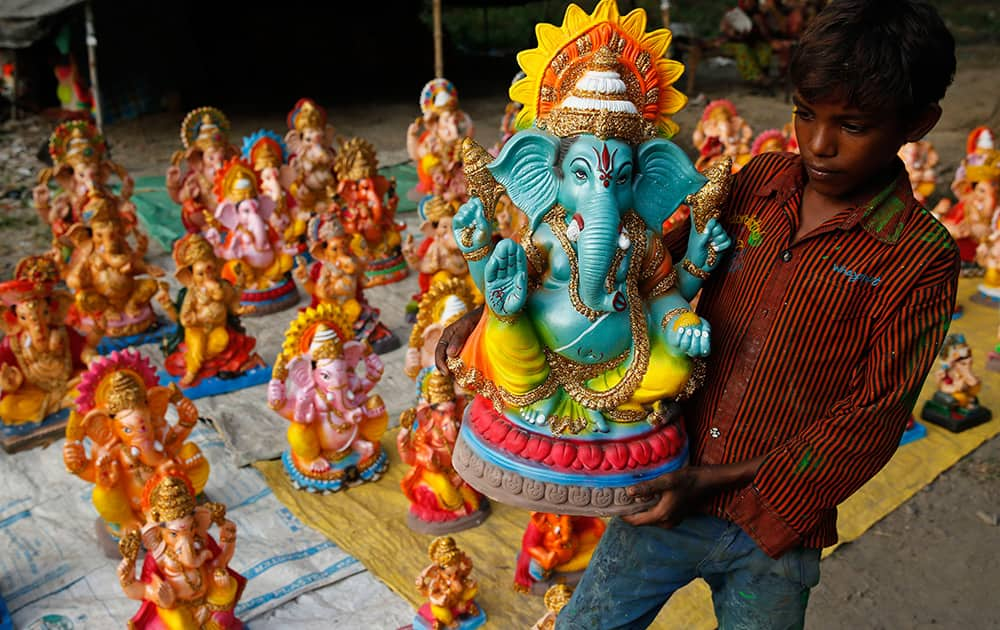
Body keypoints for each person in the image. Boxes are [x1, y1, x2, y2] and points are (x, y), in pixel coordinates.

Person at [436, 1, 958, 627]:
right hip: (665, 491)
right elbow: (645, 258)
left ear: (919, 123)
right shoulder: (759, 181)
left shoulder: (919, 257)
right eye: (804, 114)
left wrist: (717, 481)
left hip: (775, 524)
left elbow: (872, 418)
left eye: (852, 125)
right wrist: (492, 317)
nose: (818, 143)